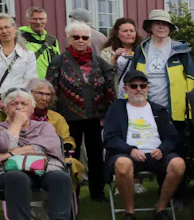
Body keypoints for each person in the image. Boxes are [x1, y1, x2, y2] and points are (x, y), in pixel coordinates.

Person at [103, 69, 187, 220]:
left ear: (148, 87)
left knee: (178, 164)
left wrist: (162, 149)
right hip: (128, 154)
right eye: (133, 86)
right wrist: (130, 150)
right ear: (125, 88)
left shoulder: (159, 110)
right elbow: (110, 137)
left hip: (156, 154)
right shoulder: (116, 109)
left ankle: (161, 209)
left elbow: (172, 137)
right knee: (122, 164)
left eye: (142, 85)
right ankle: (129, 213)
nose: (138, 89)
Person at [47, 20, 116, 201]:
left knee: (96, 156)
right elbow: (51, 90)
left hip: (95, 116)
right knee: (72, 155)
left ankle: (97, 192)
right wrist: (53, 117)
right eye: (76, 37)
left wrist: (107, 114)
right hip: (68, 118)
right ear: (68, 39)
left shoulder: (99, 62)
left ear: (89, 40)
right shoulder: (59, 61)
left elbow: (110, 88)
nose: (80, 40)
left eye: (84, 37)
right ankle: (72, 194)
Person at [0, 89, 72, 220]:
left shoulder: (45, 126)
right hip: (10, 172)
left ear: (32, 108)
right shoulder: (1, 128)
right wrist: (17, 123)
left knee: (61, 178)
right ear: (5, 108)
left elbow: (47, 146)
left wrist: (11, 153)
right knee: (16, 178)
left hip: (46, 168)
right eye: (14, 104)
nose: (19, 107)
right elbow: (4, 144)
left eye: (24, 104)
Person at [131, 10, 194, 142]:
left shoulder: (180, 49)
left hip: (175, 112)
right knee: (148, 144)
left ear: (170, 28)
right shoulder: (141, 49)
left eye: (165, 24)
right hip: (145, 108)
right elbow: (131, 78)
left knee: (175, 147)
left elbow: (191, 78)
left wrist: (190, 107)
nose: (161, 27)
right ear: (150, 27)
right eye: (157, 23)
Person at [28, 78, 83, 188]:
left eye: (48, 95)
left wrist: (65, 146)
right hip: (25, 157)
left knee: (72, 163)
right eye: (40, 93)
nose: (44, 98)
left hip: (52, 158)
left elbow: (67, 139)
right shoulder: (20, 115)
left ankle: (69, 196)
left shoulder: (57, 118)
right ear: (29, 94)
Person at [0, 14, 37, 97]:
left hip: (19, 99)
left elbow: (30, 81)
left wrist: (14, 97)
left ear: (14, 29)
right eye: (0, 29)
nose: (4, 31)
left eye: (7, 27)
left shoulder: (28, 55)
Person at [100, 17, 140, 95]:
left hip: (137, 90)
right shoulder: (107, 52)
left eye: (132, 31)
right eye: (125, 31)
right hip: (117, 91)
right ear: (117, 34)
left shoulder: (143, 50)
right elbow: (102, 72)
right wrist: (114, 58)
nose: (129, 34)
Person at [18, 7, 60, 78]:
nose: (38, 22)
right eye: (34, 19)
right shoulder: (20, 37)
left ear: (46, 20)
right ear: (28, 20)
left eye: (41, 19)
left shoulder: (52, 39)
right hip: (28, 81)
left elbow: (58, 62)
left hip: (49, 82)